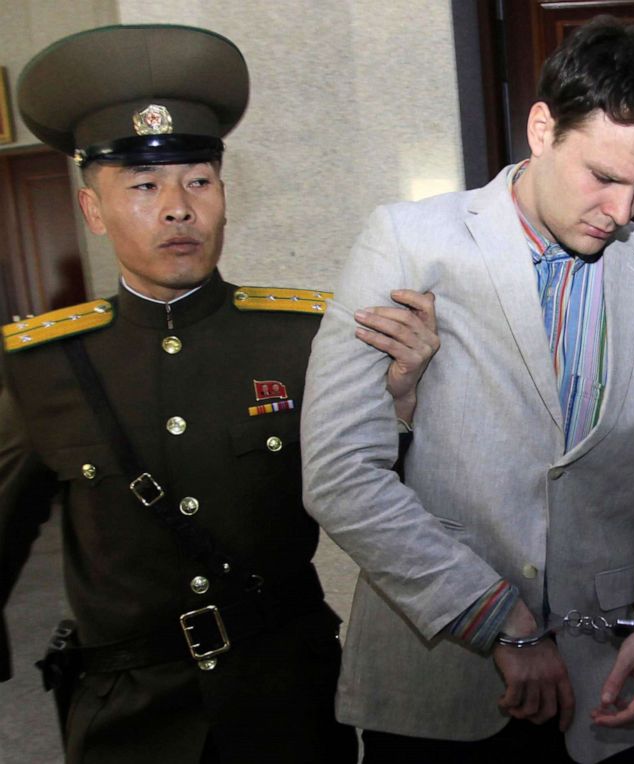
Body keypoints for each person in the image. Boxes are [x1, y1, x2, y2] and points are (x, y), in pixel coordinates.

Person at [301, 16, 634, 764]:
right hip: (439, 682)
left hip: (607, 690)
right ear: (541, 128)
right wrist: (502, 620)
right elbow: (338, 471)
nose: (620, 215)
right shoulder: (409, 242)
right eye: (603, 176)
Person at [0, 24, 439, 763]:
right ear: (93, 212)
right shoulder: (43, 365)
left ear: (225, 197)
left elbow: (383, 504)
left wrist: (402, 405)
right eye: (143, 186)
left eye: (198, 181)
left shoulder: (303, 338)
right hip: (128, 723)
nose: (178, 208)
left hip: (285, 703)